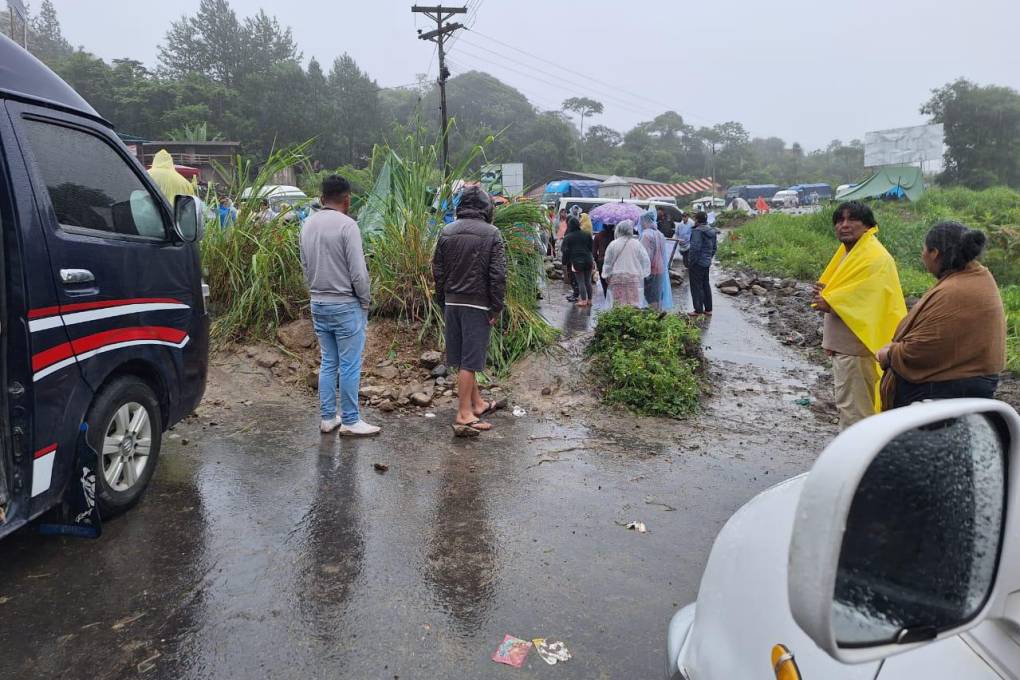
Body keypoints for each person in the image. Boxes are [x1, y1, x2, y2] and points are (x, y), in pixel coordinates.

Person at [877, 222, 1005, 409]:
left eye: (924, 249)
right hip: (971, 386)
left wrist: (890, 354)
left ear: (934, 253)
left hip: (945, 392)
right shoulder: (978, 277)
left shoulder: (955, 290)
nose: (922, 255)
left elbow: (922, 348)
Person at [813, 201, 906, 430]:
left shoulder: (873, 257)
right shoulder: (852, 254)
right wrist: (831, 339)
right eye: (839, 220)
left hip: (858, 351)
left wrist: (831, 304)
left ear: (867, 226)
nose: (844, 225)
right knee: (851, 407)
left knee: (856, 413)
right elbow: (846, 293)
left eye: (852, 219)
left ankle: (856, 460)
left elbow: (867, 301)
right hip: (847, 349)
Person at [300, 175, 380, 436]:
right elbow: (358, 272)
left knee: (328, 362)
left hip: (318, 302)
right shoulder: (348, 226)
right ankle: (350, 420)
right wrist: (365, 301)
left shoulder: (307, 225)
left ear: (322, 198)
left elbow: (305, 265)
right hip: (345, 304)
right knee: (349, 364)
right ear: (347, 200)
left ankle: (327, 418)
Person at [432, 186, 507, 437]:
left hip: (452, 301)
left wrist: (443, 300)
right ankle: (464, 414)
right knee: (471, 361)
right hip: (477, 303)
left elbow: (438, 271)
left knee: (463, 358)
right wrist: (496, 306)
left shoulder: (447, 231)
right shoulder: (492, 233)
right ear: (486, 209)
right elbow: (497, 275)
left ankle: (477, 404)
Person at [601, 220, 650, 308]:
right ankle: (632, 320)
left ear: (618, 230)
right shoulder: (637, 244)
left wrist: (606, 274)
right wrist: (643, 273)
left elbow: (607, 262)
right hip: (633, 278)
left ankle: (620, 321)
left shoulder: (613, 244)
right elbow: (645, 260)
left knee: (618, 304)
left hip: (617, 278)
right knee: (633, 304)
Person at [639, 210, 673, 311]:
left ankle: (653, 319)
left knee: (650, 296)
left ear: (645, 221)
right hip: (660, 269)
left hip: (650, 270)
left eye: (641, 221)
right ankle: (658, 316)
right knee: (657, 295)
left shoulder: (646, 235)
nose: (640, 223)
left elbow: (645, 256)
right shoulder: (659, 234)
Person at [687, 212, 718, 317]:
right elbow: (714, 248)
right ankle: (708, 309)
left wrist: (691, 262)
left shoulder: (697, 231)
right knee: (705, 284)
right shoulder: (712, 231)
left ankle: (698, 310)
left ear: (697, 220)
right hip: (706, 262)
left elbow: (694, 249)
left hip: (697, 263)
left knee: (696, 286)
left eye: (695, 218)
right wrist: (708, 258)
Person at [561, 216, 595, 307]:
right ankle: (590, 300)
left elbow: (565, 251)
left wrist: (564, 262)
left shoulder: (568, 237)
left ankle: (583, 301)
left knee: (581, 282)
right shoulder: (587, 234)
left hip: (577, 262)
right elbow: (591, 248)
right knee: (588, 281)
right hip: (588, 260)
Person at [593, 219, 615, 296]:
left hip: (602, 261)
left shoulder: (598, 236)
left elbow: (594, 252)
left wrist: (596, 261)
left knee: (604, 283)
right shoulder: (615, 236)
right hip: (613, 262)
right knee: (613, 283)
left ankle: (606, 297)